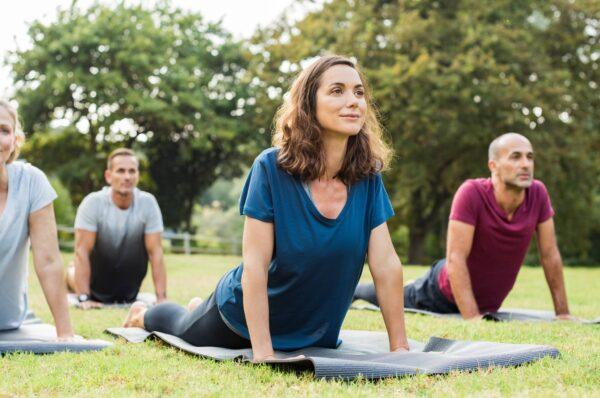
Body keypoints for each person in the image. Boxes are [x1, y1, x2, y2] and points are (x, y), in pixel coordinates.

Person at [123, 55, 410, 360]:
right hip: (239, 322)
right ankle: (144, 313)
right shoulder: (271, 168)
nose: (353, 101)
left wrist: (401, 348)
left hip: (312, 330)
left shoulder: (367, 177)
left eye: (359, 92)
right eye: (337, 91)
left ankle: (196, 305)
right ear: (308, 104)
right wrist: (263, 352)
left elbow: (386, 265)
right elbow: (255, 266)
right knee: (180, 325)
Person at [354, 133, 572, 320]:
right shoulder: (472, 192)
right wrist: (472, 318)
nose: (525, 164)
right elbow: (456, 258)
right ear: (493, 165)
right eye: (515, 157)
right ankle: (355, 290)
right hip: (440, 293)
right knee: (392, 296)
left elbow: (550, 254)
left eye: (529, 157)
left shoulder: (538, 193)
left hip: (487, 303)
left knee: (400, 290)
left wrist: (563, 314)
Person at [0, 99, 74, 338]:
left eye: (3, 130)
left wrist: (65, 334)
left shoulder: (31, 182)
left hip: (7, 319)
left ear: (14, 141)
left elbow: (49, 260)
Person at [66, 148, 167, 309]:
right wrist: (84, 298)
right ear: (108, 176)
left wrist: (161, 298)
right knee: (72, 271)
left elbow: (156, 252)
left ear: (137, 175)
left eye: (132, 171)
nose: (127, 176)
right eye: (120, 171)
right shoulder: (92, 203)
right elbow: (82, 251)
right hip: (94, 284)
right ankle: (71, 273)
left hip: (127, 289)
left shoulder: (148, 203)